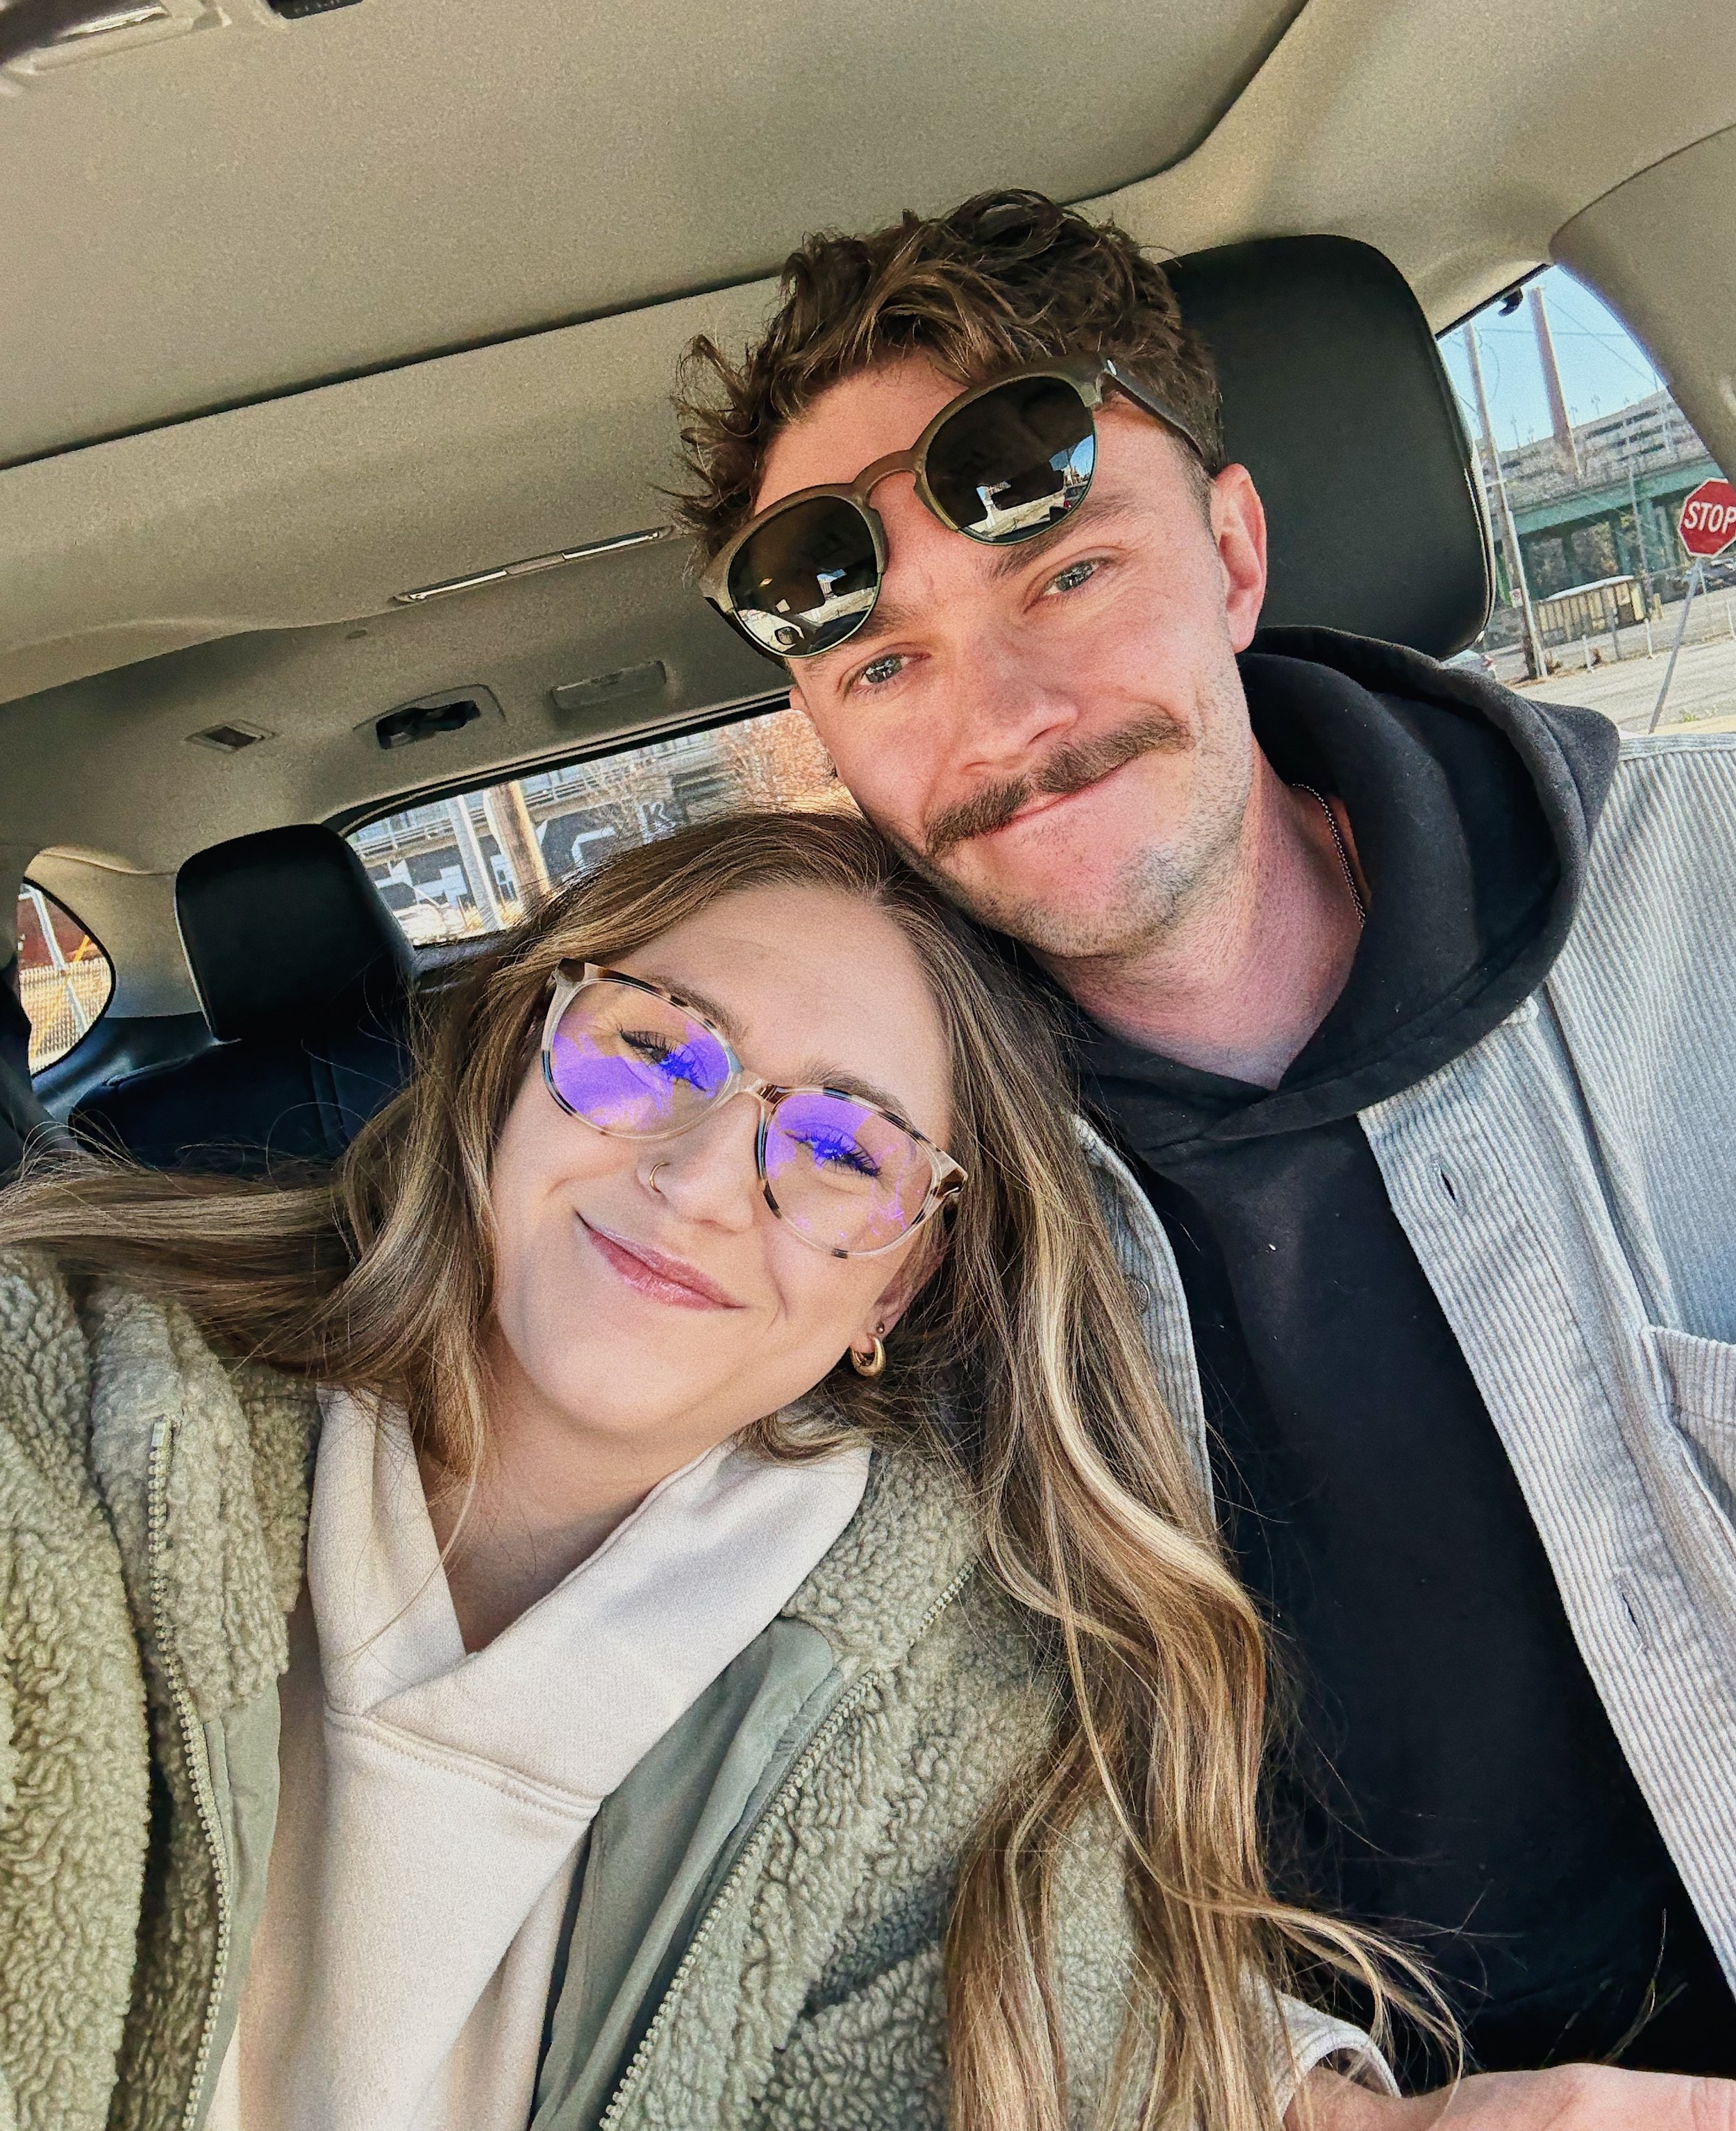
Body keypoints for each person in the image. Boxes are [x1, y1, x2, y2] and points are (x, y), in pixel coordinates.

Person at [674, 192, 1736, 2119]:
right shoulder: (858, 1225)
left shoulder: (1713, 904)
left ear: (1232, 552)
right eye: (883, 665)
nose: (1003, 720)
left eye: (1063, 577)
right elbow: (916, 1849)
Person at [0, 810, 1412, 2131]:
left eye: (841, 1145)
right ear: (516, 1070)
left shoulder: (946, 1712)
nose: (700, 1175)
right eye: (653, 1047)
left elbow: (1059, 2019)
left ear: (897, 1288)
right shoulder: (63, 1404)